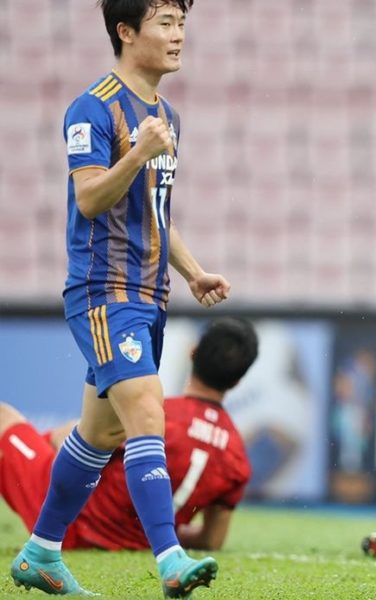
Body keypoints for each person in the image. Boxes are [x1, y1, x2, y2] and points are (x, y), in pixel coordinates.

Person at [10, 1, 232, 597]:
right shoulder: (92, 107)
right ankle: (170, 560)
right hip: (103, 293)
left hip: (150, 293)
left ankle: (40, 552)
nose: (179, 35)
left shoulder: (167, 117)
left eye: (182, 23)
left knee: (100, 436)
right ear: (126, 31)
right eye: (165, 23)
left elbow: (156, 212)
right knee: (147, 414)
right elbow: (88, 199)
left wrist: (192, 272)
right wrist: (136, 152)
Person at [1, 317, 256, 557]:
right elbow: (211, 541)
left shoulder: (158, 413)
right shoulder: (237, 454)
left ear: (192, 353)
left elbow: (76, 440)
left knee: (6, 419)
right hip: (143, 543)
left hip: (71, 523)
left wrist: (50, 439)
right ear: (238, 381)